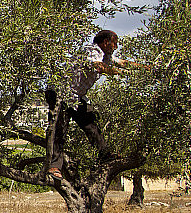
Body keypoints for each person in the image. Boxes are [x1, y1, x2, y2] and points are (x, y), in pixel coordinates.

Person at [46, 30, 133, 178]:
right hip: (60, 93)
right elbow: (98, 66)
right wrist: (121, 73)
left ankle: (105, 155)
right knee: (59, 129)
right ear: (106, 42)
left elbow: (123, 63)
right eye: (115, 43)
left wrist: (145, 69)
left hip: (75, 96)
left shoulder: (106, 56)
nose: (116, 47)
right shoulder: (92, 51)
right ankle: (54, 167)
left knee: (91, 122)